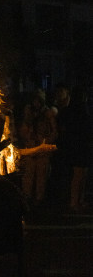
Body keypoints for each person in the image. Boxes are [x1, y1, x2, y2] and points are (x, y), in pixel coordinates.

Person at [18, 89, 58, 207]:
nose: (36, 103)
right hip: (30, 148)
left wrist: (46, 142)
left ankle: (39, 199)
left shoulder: (48, 113)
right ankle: (27, 198)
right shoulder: (28, 113)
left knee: (41, 176)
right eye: (34, 100)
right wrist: (27, 137)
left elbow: (54, 131)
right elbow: (23, 130)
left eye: (38, 100)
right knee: (28, 175)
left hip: (43, 150)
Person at [58, 85, 92, 213]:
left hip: (81, 145)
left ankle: (79, 200)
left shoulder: (76, 110)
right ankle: (74, 202)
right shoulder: (77, 110)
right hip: (78, 146)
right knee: (78, 175)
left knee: (82, 174)